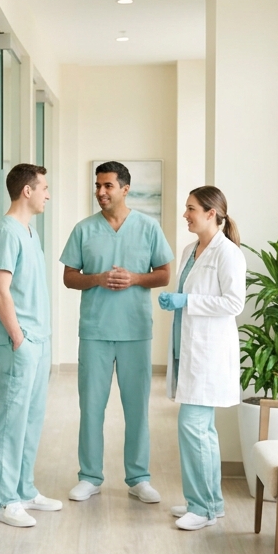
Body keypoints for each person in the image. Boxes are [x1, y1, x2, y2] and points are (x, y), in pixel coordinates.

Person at [60, 161, 174, 504]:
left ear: (125, 188)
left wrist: (136, 278)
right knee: (91, 407)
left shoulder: (148, 227)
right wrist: (96, 278)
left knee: (136, 408)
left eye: (108, 186)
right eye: (98, 185)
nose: (101, 192)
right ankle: (90, 476)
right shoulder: (84, 229)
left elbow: (165, 274)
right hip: (95, 330)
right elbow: (69, 277)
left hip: (136, 331)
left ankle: (139, 477)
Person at [158, 186, 246, 530]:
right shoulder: (189, 250)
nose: (185, 215)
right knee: (201, 431)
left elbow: (233, 304)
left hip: (209, 355)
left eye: (191, 209)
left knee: (193, 428)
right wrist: (177, 300)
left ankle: (204, 507)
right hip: (188, 349)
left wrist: (188, 302)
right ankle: (210, 502)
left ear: (212, 213)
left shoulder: (228, 254)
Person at [0, 163, 61, 527]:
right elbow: (0, 291)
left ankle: (24, 488)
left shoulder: (30, 232)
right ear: (27, 191)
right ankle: (3, 500)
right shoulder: (6, 233)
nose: (48, 194)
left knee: (31, 419)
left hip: (38, 340)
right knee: (11, 420)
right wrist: (18, 337)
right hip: (19, 342)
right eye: (44, 188)